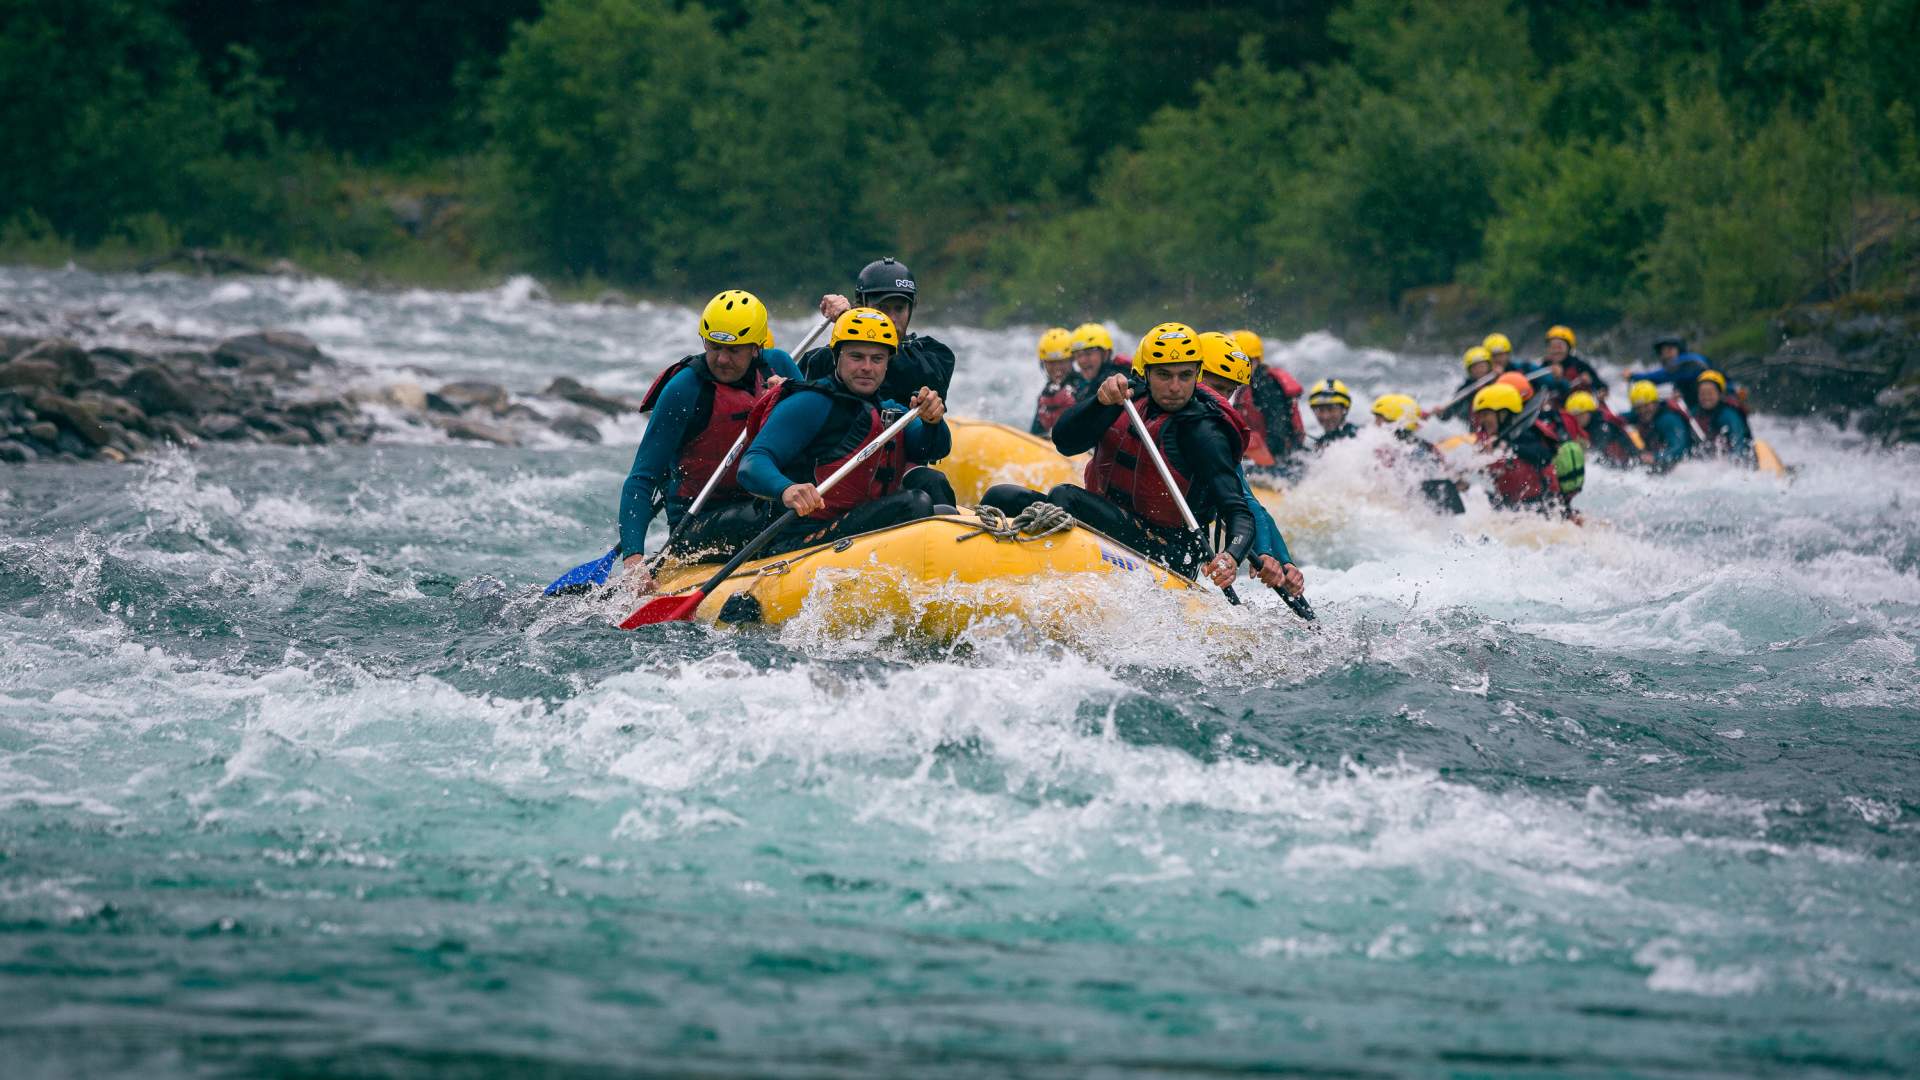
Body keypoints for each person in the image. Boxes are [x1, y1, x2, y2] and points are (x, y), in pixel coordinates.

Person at [979, 322, 1262, 590]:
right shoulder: (1125, 399)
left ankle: (1041, 572)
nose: (1175, 387)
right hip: (1110, 522)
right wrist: (1099, 403)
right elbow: (1065, 443)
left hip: (1167, 551)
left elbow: (1239, 512)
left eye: (1185, 375)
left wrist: (1230, 557)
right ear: (1147, 373)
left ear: (1197, 373)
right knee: (1000, 496)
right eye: (1164, 375)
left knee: (1064, 497)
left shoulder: (1205, 433)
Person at [618, 290, 803, 582]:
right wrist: (634, 560)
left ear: (756, 347)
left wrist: (792, 394)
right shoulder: (685, 389)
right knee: (773, 511)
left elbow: (819, 428)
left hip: (768, 498)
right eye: (714, 347)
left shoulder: (778, 366)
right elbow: (642, 478)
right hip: (697, 523)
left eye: (734, 350)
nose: (721, 359)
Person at [739, 307, 954, 556]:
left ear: (887, 365)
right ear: (836, 357)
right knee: (914, 504)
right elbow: (753, 463)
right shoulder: (811, 402)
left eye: (877, 359)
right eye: (856, 356)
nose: (867, 367)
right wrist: (786, 489)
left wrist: (932, 421)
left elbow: (935, 448)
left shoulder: (890, 409)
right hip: (802, 539)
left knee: (931, 483)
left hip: (857, 529)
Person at [803, 257, 956, 404]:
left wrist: (851, 321)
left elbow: (910, 373)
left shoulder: (936, 356)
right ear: (861, 305)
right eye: (883, 308)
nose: (892, 319)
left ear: (910, 309)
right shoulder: (821, 358)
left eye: (899, 308)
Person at [1471, 383, 1576, 517]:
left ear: (1503, 413)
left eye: (1486, 414)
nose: (1482, 420)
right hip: (1511, 505)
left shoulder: (1527, 433)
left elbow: (1544, 456)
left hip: (1541, 507)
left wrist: (1509, 446)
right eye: (1480, 415)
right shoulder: (1492, 439)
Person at [1373, 393, 1467, 514]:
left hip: (1409, 509)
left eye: (1379, 419)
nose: (1375, 424)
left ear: (1395, 422)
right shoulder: (1379, 444)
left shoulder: (1420, 450)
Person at [1230, 329, 1310, 470]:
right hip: (1269, 459)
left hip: (1285, 462)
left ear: (1254, 360)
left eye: (1242, 360)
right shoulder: (1246, 387)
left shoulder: (1267, 386)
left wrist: (1257, 463)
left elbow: (1278, 432)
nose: (1235, 366)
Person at [1626, 378, 1696, 473]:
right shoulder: (1639, 415)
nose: (1643, 411)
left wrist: (1656, 457)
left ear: (1655, 403)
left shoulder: (1668, 419)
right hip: (1660, 459)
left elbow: (1680, 447)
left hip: (1686, 464)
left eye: (1646, 406)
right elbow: (1618, 418)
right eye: (1639, 407)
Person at [1690, 370, 1756, 464]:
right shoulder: (1696, 413)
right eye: (1702, 394)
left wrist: (1735, 462)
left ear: (1720, 394)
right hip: (1714, 459)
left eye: (1710, 393)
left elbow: (1738, 442)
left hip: (1741, 459)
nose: (1706, 398)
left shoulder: (1729, 415)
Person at [1563, 389, 1639, 469]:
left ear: (1590, 412)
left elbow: (1597, 449)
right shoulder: (1581, 426)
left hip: (1625, 463)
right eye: (1574, 416)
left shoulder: (1602, 425)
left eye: (1581, 414)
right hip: (1609, 463)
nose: (1577, 419)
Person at [1628, 336, 1710, 409]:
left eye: (1670, 350)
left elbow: (1658, 377)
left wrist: (1632, 376)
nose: (1666, 355)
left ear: (1679, 349)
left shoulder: (1686, 362)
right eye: (1663, 352)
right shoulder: (1690, 360)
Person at [1030, 326, 1084, 435]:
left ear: (1072, 359)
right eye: (1051, 362)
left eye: (1061, 361)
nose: (1057, 367)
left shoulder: (1083, 386)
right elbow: (1035, 434)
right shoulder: (1046, 393)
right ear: (1043, 363)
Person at [1067, 322, 1132, 401]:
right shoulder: (1076, 383)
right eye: (1078, 355)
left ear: (1105, 354)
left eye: (1088, 353)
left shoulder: (1120, 378)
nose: (1082, 360)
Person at [1540, 325, 1608, 397]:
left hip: (1576, 404)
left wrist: (1590, 382)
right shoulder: (1544, 366)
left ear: (1568, 348)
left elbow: (1602, 388)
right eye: (1552, 347)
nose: (1556, 351)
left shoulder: (1579, 365)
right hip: (1554, 405)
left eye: (1560, 347)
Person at [1434, 346, 1495, 422]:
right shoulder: (1465, 388)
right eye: (1475, 367)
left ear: (1489, 366)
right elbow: (1448, 415)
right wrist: (1441, 413)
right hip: (1475, 426)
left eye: (1482, 366)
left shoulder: (1498, 381)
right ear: (1469, 370)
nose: (1479, 370)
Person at [1308, 378, 1358, 447]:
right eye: (1320, 410)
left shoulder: (1359, 438)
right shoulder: (1320, 443)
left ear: (1344, 409)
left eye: (1331, 409)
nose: (1326, 416)